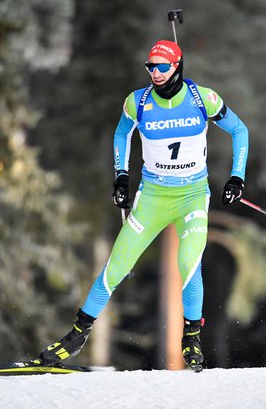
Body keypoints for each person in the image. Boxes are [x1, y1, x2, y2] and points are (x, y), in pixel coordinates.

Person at [38, 39, 249, 370]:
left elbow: (239, 130)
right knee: (117, 265)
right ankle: (77, 334)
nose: (156, 73)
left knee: (189, 262)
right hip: (152, 196)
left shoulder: (203, 99)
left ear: (177, 66)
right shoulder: (138, 102)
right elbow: (121, 134)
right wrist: (121, 176)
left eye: (162, 67)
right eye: (151, 67)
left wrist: (237, 177)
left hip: (192, 196)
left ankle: (192, 339)